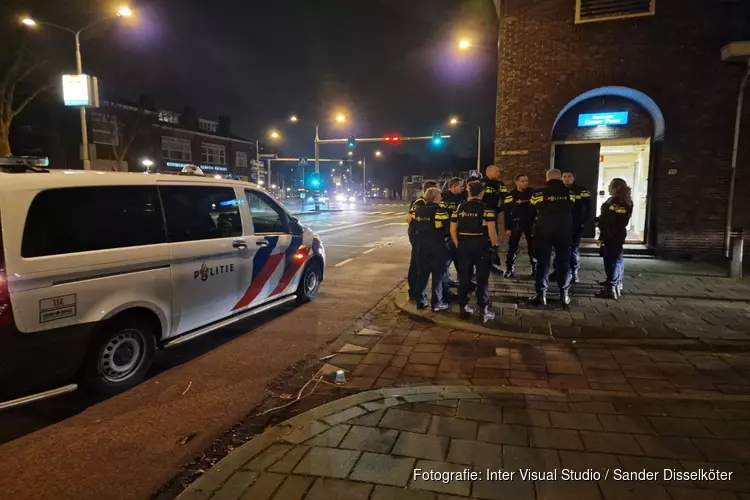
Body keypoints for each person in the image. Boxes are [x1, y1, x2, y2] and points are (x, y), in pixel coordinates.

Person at [451, 181, 498, 323]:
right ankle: (483, 311)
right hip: (481, 245)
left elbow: (453, 229)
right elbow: (491, 231)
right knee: (482, 279)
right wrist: (494, 246)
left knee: (464, 277)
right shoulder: (486, 209)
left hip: (464, 245)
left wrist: (458, 243)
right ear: (482, 193)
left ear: (469, 192)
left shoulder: (460, 207)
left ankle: (463, 308)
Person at [529, 169, 575, 307]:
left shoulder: (538, 193)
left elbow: (531, 211)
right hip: (564, 230)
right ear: (560, 178)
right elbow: (574, 209)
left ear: (547, 178)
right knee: (564, 262)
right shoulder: (570, 192)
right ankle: (564, 295)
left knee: (543, 263)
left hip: (543, 230)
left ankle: (541, 295)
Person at [414, 187, 451, 311]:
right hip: (437, 247)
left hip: (421, 247)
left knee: (422, 274)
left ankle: (420, 301)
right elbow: (448, 229)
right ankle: (436, 303)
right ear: (435, 198)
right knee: (438, 275)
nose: (441, 198)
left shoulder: (418, 210)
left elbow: (414, 226)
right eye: (440, 196)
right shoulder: (440, 211)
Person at [595, 178, 633, 299]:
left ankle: (611, 287)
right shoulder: (621, 201)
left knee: (611, 260)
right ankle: (616, 282)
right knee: (617, 258)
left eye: (610, 186)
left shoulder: (618, 202)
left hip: (612, 233)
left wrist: (600, 221)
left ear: (616, 188)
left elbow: (613, 219)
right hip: (615, 233)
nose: (608, 188)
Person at [406, 181, 438, 301]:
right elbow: (409, 219)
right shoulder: (420, 203)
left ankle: (417, 292)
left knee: (419, 263)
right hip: (417, 236)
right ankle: (414, 292)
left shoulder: (422, 202)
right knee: (416, 264)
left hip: (420, 236)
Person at [503, 174, 537, 278]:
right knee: (512, 246)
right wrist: (507, 227)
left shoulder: (533, 193)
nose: (525, 183)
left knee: (533, 246)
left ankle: (535, 269)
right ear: (516, 182)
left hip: (530, 222)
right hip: (515, 223)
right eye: (523, 181)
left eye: (526, 181)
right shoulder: (510, 194)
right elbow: (506, 212)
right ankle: (509, 269)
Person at [562, 170, 592, 284]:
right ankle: (559, 270)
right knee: (562, 249)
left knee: (574, 249)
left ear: (574, 178)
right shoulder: (560, 190)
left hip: (576, 223)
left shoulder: (581, 190)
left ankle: (574, 272)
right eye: (564, 176)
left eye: (569, 176)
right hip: (563, 224)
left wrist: (583, 222)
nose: (566, 178)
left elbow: (588, 207)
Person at [440, 178, 464, 296]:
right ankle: (445, 291)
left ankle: (462, 288)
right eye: (460, 186)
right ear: (453, 186)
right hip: (445, 236)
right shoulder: (442, 196)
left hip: (458, 235)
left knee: (461, 263)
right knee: (445, 264)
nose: (462, 188)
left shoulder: (463, 197)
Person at [483, 165, 509, 274]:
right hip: (479, 216)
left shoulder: (500, 184)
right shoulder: (481, 183)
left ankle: (492, 263)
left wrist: (498, 210)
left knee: (492, 238)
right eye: (496, 171)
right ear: (489, 172)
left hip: (492, 216)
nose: (499, 173)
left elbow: (507, 199)